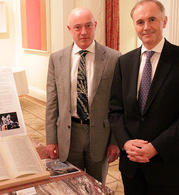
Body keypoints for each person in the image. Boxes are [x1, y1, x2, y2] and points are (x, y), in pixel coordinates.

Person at [108, 0, 179, 194]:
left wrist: (156, 147)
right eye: (140, 22)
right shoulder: (124, 62)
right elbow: (115, 111)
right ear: (134, 25)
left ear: (164, 21)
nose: (146, 27)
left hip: (168, 167)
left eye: (152, 19)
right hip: (132, 167)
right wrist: (125, 142)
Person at [45, 7, 121, 183]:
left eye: (88, 26)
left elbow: (119, 104)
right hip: (68, 134)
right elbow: (52, 102)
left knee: (97, 184)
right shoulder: (56, 59)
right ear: (69, 29)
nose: (84, 32)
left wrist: (115, 141)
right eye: (77, 27)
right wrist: (51, 139)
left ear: (95, 25)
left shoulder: (114, 58)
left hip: (100, 136)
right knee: (71, 184)